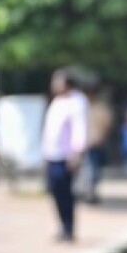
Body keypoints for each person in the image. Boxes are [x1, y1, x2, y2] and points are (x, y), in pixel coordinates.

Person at [40, 68, 88, 241]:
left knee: (65, 192)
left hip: (66, 155)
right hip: (52, 154)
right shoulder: (57, 102)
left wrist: (76, 153)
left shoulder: (77, 102)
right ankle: (62, 226)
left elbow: (79, 129)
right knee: (54, 191)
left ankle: (69, 228)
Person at [81, 85, 114, 204]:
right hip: (86, 143)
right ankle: (88, 191)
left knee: (94, 169)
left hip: (96, 143)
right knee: (89, 169)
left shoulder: (99, 109)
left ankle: (91, 191)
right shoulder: (83, 108)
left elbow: (107, 125)